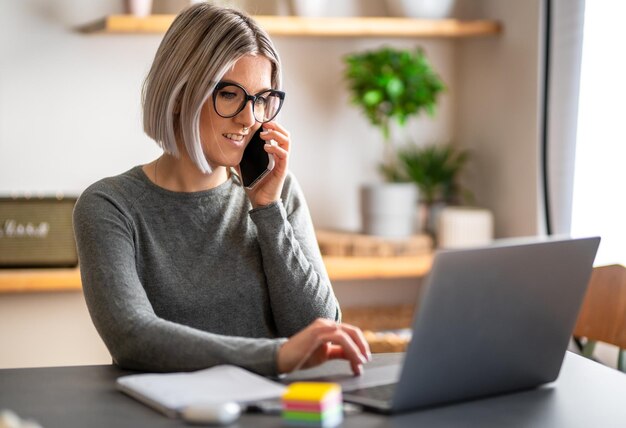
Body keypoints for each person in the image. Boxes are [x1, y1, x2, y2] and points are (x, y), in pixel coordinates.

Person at [73, 3, 370, 376]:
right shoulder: (109, 206)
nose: (250, 118)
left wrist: (268, 209)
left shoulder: (278, 193)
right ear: (180, 94)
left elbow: (318, 328)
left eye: (262, 99)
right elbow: (133, 338)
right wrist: (274, 356)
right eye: (229, 94)